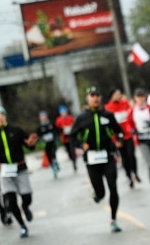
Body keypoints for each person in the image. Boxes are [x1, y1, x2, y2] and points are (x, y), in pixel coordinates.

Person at [71, 86, 125, 233]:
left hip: (107, 156)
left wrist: (119, 140)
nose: (95, 98)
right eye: (92, 96)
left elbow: (119, 131)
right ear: (88, 99)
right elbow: (72, 136)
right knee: (101, 192)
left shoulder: (108, 115)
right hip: (92, 159)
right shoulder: (81, 118)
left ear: (100, 98)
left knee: (113, 187)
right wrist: (81, 145)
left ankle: (113, 219)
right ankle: (97, 194)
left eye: (97, 95)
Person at [0, 106, 38, 238]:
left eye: (2, 114)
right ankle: (22, 226)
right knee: (11, 200)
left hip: (20, 169)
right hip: (5, 172)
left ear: (5, 117)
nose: (0, 117)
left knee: (27, 197)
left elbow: (29, 145)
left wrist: (31, 144)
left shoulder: (16, 131)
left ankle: (25, 207)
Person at [104, 88, 140, 188]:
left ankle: (135, 173)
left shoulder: (125, 103)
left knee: (131, 155)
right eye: (117, 94)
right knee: (124, 157)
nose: (119, 96)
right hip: (118, 138)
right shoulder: (107, 107)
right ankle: (129, 175)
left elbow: (131, 116)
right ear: (112, 96)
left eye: (120, 94)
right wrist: (114, 140)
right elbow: (108, 126)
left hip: (128, 134)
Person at [36, 110, 60, 178]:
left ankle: (56, 163)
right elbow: (38, 135)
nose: (43, 117)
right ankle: (53, 168)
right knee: (49, 156)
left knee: (53, 153)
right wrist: (41, 139)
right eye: (41, 116)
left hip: (52, 141)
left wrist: (56, 137)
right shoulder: (40, 127)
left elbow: (56, 131)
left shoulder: (51, 123)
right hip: (46, 143)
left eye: (44, 116)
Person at [55, 105, 78, 172]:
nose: (64, 113)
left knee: (72, 149)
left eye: (64, 111)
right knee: (68, 150)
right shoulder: (58, 120)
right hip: (64, 138)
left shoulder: (71, 118)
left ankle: (74, 162)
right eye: (62, 112)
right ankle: (71, 158)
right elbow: (57, 128)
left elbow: (75, 125)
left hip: (71, 136)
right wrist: (62, 129)